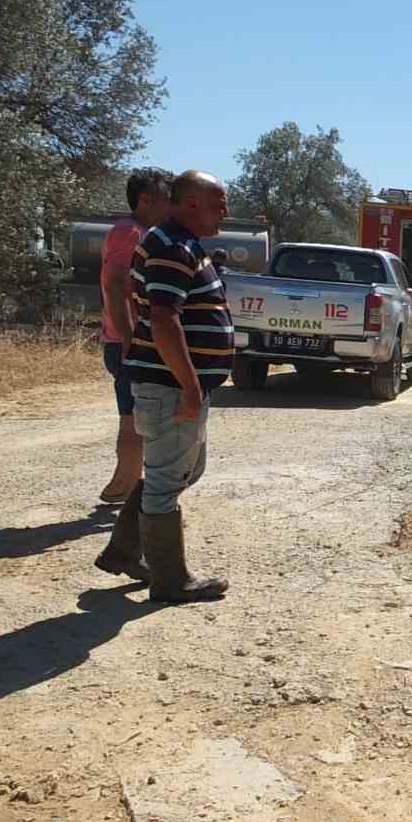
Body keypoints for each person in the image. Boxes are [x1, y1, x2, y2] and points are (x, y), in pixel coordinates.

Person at [96, 170, 234, 603]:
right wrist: (190, 386)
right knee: (164, 480)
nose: (225, 212)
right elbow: (163, 318)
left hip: (177, 385)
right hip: (171, 387)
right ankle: (170, 580)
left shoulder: (184, 245)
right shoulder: (170, 245)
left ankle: (123, 550)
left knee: (184, 471)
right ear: (190, 203)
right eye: (218, 203)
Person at [96, 167, 173, 507]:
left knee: (139, 419)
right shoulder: (129, 232)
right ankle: (125, 486)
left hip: (135, 343)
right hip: (128, 343)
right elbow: (115, 286)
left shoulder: (144, 232)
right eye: (166, 195)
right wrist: (129, 340)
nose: (172, 202)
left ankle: (123, 486)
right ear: (145, 199)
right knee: (134, 420)